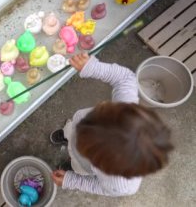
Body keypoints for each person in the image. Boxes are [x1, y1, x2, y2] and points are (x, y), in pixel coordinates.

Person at [50, 53, 173, 196]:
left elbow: (100, 187)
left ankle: (73, 165)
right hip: (76, 130)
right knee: (72, 130)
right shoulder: (126, 113)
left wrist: (71, 180)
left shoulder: (121, 185)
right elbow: (125, 78)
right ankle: (67, 135)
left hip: (84, 164)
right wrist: (92, 67)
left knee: (78, 166)